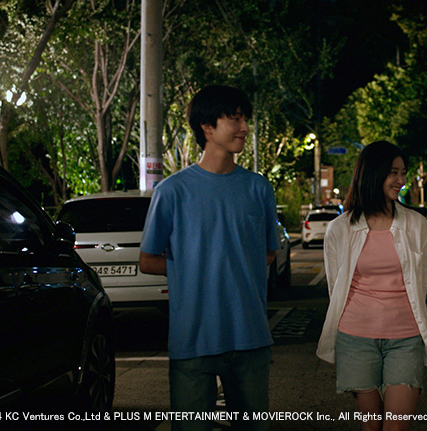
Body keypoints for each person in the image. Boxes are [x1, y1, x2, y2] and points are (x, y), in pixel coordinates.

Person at [139, 85, 279, 431]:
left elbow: (268, 253)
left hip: (250, 336)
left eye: (245, 119)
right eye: (235, 119)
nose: (244, 127)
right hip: (192, 339)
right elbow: (148, 260)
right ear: (207, 127)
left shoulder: (259, 188)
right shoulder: (172, 191)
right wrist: (196, 268)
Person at [316, 141, 427, 431]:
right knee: (371, 426)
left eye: (403, 172)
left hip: (405, 336)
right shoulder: (340, 228)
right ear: (373, 174)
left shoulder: (416, 224)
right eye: (393, 172)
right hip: (355, 336)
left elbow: (420, 284)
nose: (401, 180)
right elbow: (336, 286)